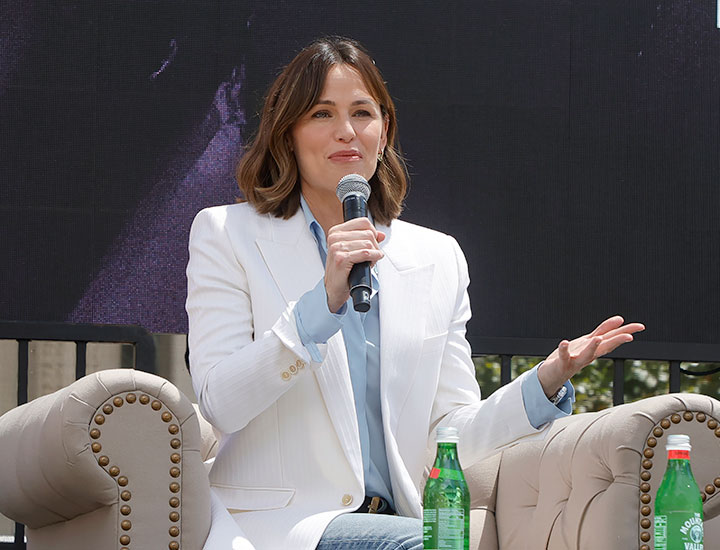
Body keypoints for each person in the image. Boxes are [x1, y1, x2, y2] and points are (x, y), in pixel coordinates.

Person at [185, 36, 644, 550]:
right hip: (285, 524)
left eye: (363, 112)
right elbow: (219, 402)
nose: (346, 131)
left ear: (383, 133)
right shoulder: (227, 234)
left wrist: (545, 381)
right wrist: (321, 305)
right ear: (287, 133)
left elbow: (451, 434)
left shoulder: (437, 256)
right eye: (321, 114)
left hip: (403, 520)